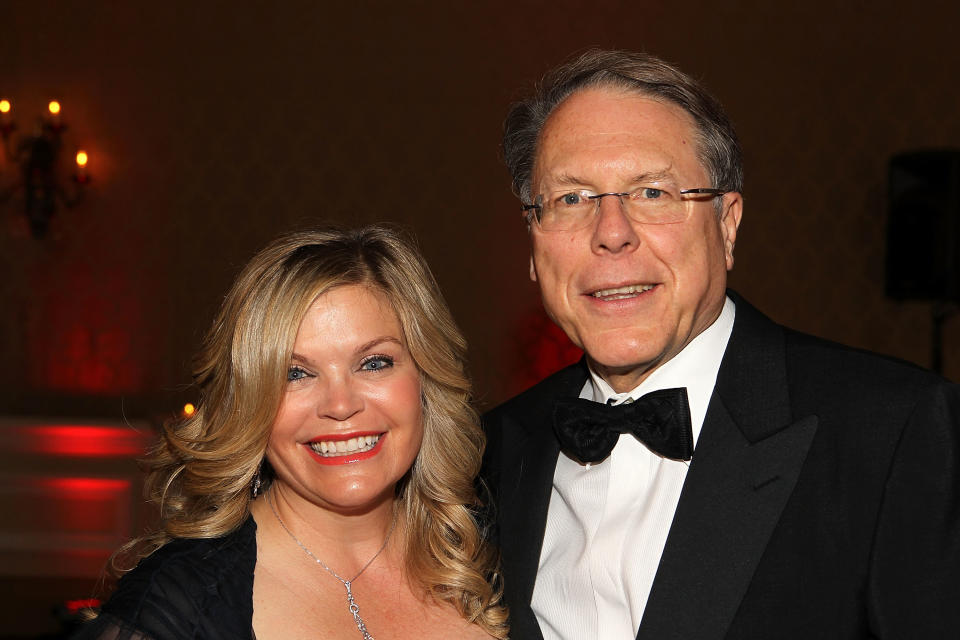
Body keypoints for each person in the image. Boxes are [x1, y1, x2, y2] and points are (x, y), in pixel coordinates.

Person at [482, 49, 960, 640]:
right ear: (533, 242)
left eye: (652, 192)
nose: (610, 234)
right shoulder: (487, 456)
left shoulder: (894, 433)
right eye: (571, 198)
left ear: (727, 223)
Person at [75, 226, 508, 640]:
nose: (340, 405)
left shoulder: (495, 555)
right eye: (295, 373)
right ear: (251, 403)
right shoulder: (181, 604)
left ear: (425, 381)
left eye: (374, 362)